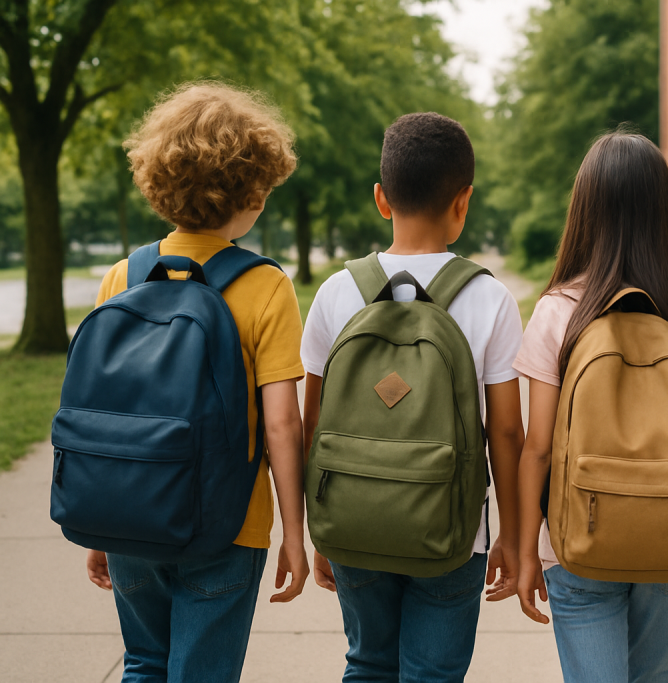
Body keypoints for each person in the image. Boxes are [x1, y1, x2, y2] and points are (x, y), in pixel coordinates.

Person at [84, 83, 310, 681]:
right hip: (230, 523)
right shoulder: (265, 285)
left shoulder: (121, 278)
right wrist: (295, 530)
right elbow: (283, 423)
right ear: (249, 190)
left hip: (132, 511)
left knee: (144, 664)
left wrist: (101, 518)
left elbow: (103, 408)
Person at [300, 112, 525, 681]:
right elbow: (505, 434)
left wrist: (316, 524)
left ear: (381, 198)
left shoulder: (336, 292)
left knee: (367, 663)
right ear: (463, 201)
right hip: (451, 531)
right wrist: (515, 538)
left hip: (352, 519)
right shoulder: (488, 298)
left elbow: (314, 424)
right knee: (434, 674)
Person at [515, 131, 668, 683]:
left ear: (585, 211)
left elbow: (537, 449)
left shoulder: (558, 312)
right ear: (664, 210)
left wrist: (522, 548)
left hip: (576, 538)